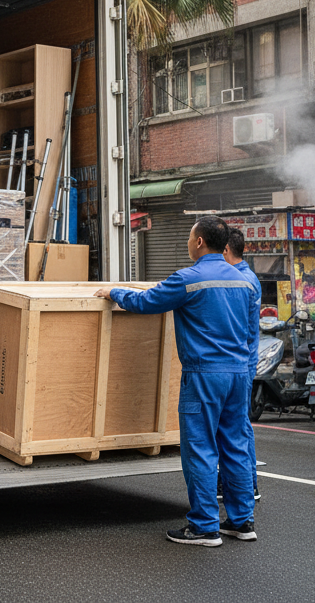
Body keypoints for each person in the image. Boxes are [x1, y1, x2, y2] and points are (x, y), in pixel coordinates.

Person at [93, 215, 260, 547]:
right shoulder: (245, 280)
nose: (187, 242)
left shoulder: (189, 278)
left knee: (200, 447)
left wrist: (114, 291)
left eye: (189, 236)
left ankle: (204, 526)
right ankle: (241, 521)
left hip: (205, 375)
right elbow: (251, 330)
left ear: (199, 242)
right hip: (239, 373)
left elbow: (146, 302)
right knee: (236, 446)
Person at [224, 228, 262, 502]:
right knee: (237, 424)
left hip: (240, 361)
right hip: (244, 360)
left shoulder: (239, 279)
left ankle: (247, 484)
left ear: (225, 249)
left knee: (238, 426)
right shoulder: (248, 277)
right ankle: (242, 483)